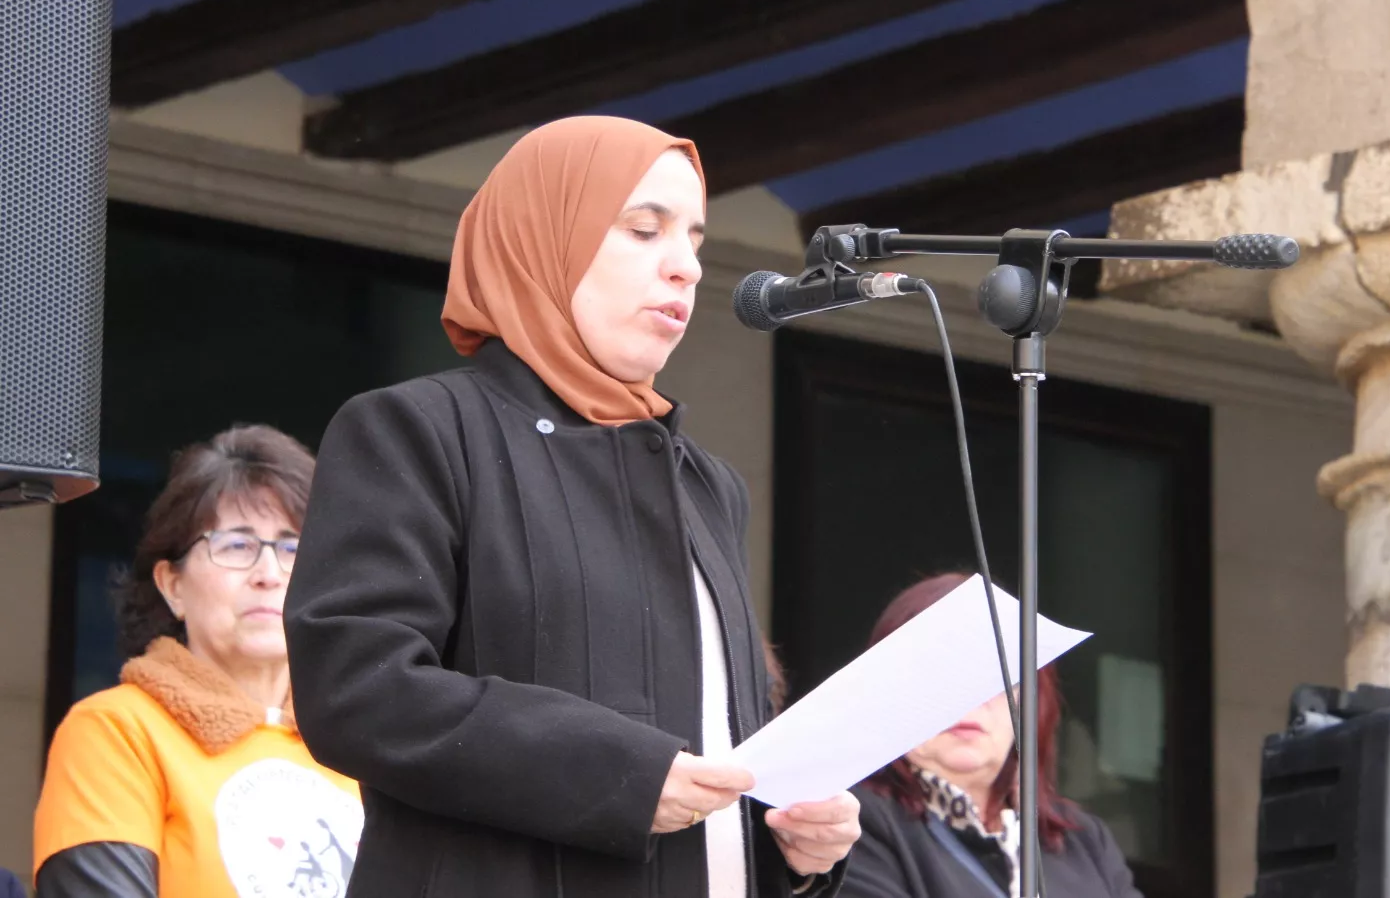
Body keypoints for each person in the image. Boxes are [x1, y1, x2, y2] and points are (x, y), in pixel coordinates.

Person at [283, 116, 859, 897]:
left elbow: (716, 747)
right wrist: (620, 775)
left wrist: (794, 844)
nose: (685, 267)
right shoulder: (416, 429)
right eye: (643, 230)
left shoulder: (708, 484)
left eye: (693, 238)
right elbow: (361, 691)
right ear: (540, 239)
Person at [33, 426, 364, 898]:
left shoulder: (359, 748)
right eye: (236, 546)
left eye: (293, 548)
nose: (269, 574)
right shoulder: (118, 730)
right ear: (172, 585)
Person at [841, 574, 1142, 898]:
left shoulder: (1085, 841)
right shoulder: (849, 822)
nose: (969, 697)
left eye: (994, 675)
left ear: (1032, 701)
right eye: (939, 673)